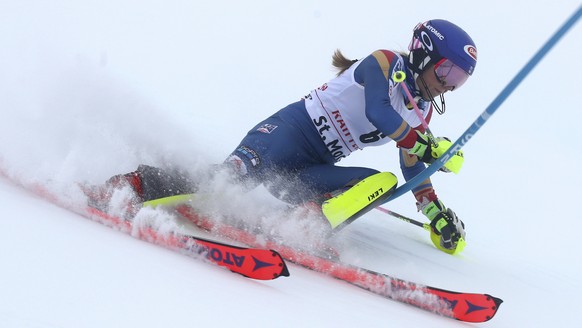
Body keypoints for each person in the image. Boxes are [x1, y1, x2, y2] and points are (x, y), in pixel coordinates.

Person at [95, 19, 475, 254]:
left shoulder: (419, 111)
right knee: (220, 187)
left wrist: (434, 211)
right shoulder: (383, 62)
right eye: (448, 72)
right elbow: (378, 109)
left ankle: (305, 226)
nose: (448, 87)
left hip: (309, 170)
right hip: (283, 136)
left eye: (459, 80)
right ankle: (135, 183)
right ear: (424, 54)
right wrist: (422, 142)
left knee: (382, 181)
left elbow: (412, 167)